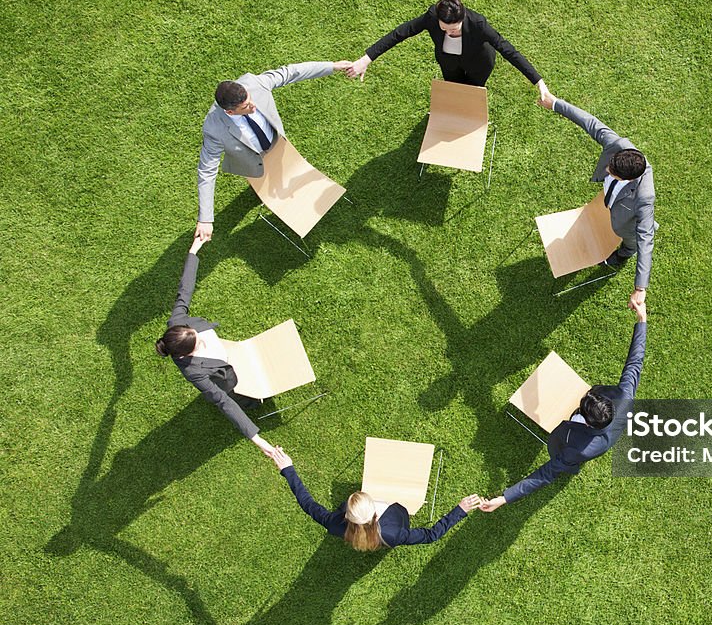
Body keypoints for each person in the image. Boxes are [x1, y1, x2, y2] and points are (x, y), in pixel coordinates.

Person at [480, 302, 648, 512]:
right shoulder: (623, 397)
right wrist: (642, 320)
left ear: (588, 421)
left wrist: (504, 498)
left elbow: (545, 474)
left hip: (567, 438)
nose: (586, 394)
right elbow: (635, 362)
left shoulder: (577, 450)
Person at [196, 61, 348, 241]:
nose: (253, 107)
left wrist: (332, 66)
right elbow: (207, 171)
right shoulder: (213, 128)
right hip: (253, 164)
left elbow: (292, 72)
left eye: (250, 100)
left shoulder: (254, 83)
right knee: (263, 186)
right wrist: (205, 219)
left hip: (280, 149)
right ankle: (259, 191)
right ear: (230, 112)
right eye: (245, 107)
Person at [538, 90, 656, 312]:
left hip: (627, 225)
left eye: (613, 174)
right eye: (610, 167)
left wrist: (640, 288)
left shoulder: (645, 197)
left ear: (630, 179)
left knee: (630, 243)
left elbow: (646, 239)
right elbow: (590, 123)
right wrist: (554, 104)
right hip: (608, 206)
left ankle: (623, 254)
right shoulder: (620, 145)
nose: (607, 171)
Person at [155, 234, 273, 455]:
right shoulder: (193, 373)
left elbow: (185, 290)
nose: (203, 338)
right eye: (198, 343)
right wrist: (258, 440)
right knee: (240, 397)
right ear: (184, 356)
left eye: (195, 332)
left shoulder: (176, 322)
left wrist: (193, 251)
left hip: (226, 358)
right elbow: (223, 403)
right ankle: (252, 403)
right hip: (226, 380)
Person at [266, 446, 481, 549]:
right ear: (375, 512)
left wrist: (288, 469)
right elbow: (431, 535)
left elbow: (307, 503)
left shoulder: (335, 524)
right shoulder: (395, 533)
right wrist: (459, 510)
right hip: (398, 517)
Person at [340, 0, 551, 97]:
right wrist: (366, 59)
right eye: (445, 28)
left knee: (472, 94)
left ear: (463, 17)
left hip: (479, 63)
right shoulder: (432, 17)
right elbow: (400, 33)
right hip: (449, 63)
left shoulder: (478, 24)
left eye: (455, 29)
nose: (450, 32)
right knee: (453, 91)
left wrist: (538, 81)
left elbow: (508, 50)